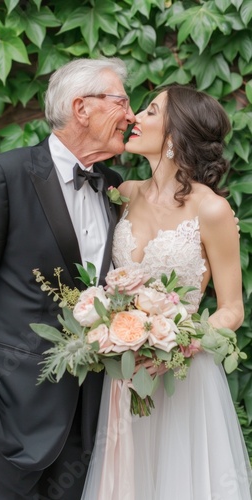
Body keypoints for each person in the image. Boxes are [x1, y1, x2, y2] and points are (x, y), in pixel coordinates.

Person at [0, 57, 135, 499]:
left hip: (88, 418)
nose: (132, 115)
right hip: (4, 413)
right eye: (122, 101)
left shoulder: (114, 185)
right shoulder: (1, 177)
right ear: (82, 108)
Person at [81, 85, 252, 499]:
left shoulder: (211, 210)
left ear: (174, 136)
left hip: (182, 376)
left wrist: (177, 344)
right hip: (125, 376)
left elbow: (231, 309)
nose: (135, 116)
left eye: (151, 111)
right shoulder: (122, 194)